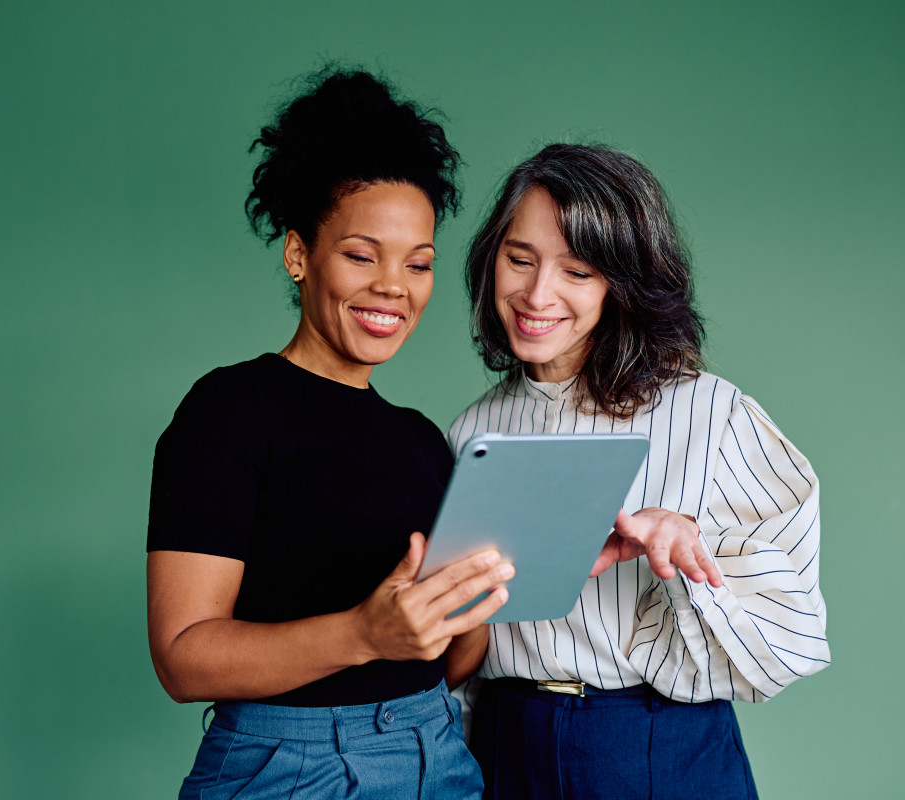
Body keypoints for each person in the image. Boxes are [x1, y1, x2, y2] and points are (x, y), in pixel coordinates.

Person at [147, 68, 514, 800]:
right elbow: (184, 659)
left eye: (419, 264)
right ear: (298, 255)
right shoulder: (230, 410)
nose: (394, 287)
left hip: (436, 754)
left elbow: (447, 659)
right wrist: (364, 634)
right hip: (289, 769)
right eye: (360, 255)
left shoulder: (422, 441)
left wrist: (484, 591)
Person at [450, 144, 828, 799]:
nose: (538, 294)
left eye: (577, 271)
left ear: (622, 284)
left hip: (657, 747)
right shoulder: (470, 432)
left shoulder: (714, 415)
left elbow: (789, 641)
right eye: (520, 260)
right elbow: (461, 652)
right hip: (505, 745)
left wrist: (687, 556)